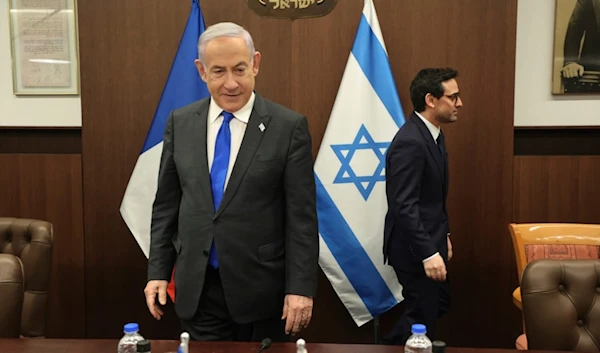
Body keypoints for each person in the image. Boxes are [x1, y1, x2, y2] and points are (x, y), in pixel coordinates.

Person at [143, 22, 319, 342]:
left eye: (239, 69)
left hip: (262, 291)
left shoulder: (287, 127)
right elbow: (167, 205)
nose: (231, 83)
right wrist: (157, 272)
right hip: (200, 288)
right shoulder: (180, 123)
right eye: (218, 72)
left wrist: (300, 289)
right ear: (201, 71)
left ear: (255, 63)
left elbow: (302, 218)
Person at [382, 68, 463, 345]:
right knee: (422, 317)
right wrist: (428, 253)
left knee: (437, 305)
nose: (459, 103)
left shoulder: (433, 135)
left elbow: (432, 199)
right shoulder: (410, 141)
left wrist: (445, 235)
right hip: (413, 249)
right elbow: (404, 205)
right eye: (453, 97)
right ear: (431, 100)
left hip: (432, 239)